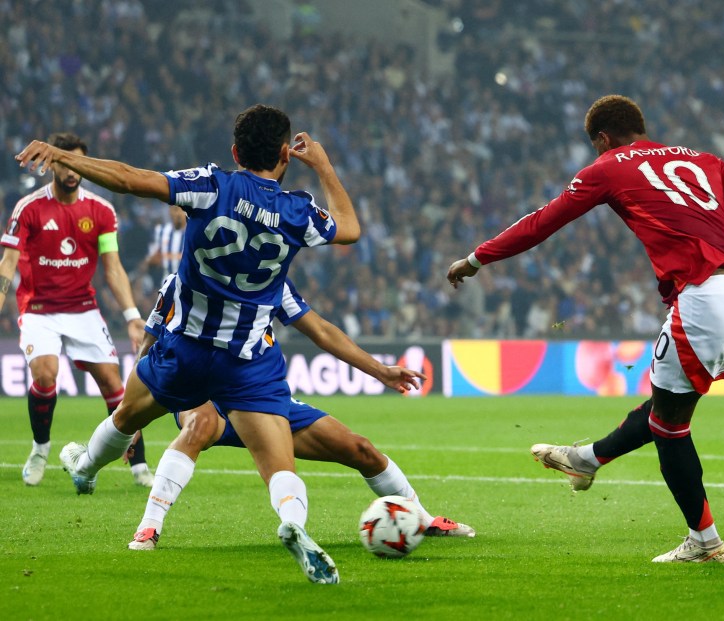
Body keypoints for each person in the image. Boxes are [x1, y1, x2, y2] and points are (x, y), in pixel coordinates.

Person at [446, 95, 724, 563]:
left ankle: (705, 542)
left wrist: (476, 259)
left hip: (700, 299)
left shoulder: (608, 167)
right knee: (666, 407)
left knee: (670, 427)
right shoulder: (701, 158)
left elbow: (540, 223)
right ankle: (585, 460)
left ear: (602, 138)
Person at [15, 104, 362, 584]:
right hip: (246, 360)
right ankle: (292, 522)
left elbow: (129, 178)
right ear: (285, 154)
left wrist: (64, 157)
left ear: (236, 150)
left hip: (186, 350)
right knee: (277, 463)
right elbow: (350, 228)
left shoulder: (212, 184)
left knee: (125, 416)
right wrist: (322, 165)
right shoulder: (297, 209)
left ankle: (86, 467)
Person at [127, 274, 473, 550]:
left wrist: (380, 370)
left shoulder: (269, 279)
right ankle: (149, 527)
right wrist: (138, 412)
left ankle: (422, 520)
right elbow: (151, 339)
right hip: (205, 394)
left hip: (260, 399)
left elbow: (321, 330)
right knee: (199, 425)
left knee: (360, 448)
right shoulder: (188, 277)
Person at [0, 132, 153, 489]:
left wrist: (132, 316)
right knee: (45, 375)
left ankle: (139, 466)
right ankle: (40, 449)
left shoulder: (101, 211)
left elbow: (113, 268)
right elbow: (7, 263)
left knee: (115, 386)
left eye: (77, 163)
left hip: (83, 308)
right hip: (39, 308)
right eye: (65, 163)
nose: (72, 171)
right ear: (52, 163)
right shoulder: (29, 208)